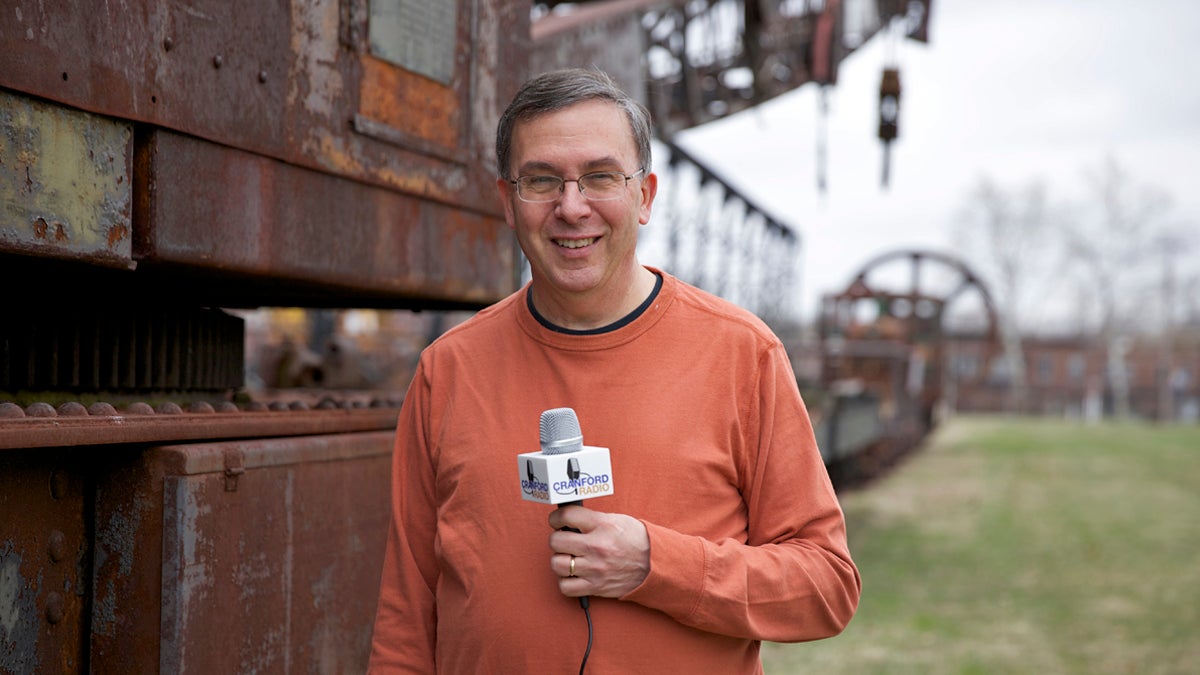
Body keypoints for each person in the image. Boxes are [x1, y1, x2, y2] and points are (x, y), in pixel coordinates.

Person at [368, 68, 860, 674]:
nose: (571, 208)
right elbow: (406, 617)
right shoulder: (448, 370)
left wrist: (656, 563)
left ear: (646, 196)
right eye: (541, 181)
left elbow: (826, 588)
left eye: (600, 177)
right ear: (507, 202)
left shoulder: (741, 354)